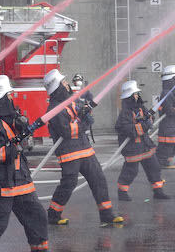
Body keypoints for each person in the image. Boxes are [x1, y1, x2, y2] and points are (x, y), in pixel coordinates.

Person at [0, 75, 59, 252]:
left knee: (36, 213)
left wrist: (22, 133)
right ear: (1, 97)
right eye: (10, 94)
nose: (12, 98)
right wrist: (16, 145)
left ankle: (39, 249)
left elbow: (15, 139)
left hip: (20, 178)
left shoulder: (8, 119)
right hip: (2, 180)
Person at [44, 69, 123, 225]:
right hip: (69, 152)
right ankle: (53, 215)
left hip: (84, 148)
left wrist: (86, 113)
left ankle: (107, 214)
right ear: (57, 87)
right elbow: (67, 131)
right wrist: (85, 123)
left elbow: (80, 116)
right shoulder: (54, 109)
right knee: (69, 183)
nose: (67, 84)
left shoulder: (71, 102)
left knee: (98, 178)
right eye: (64, 82)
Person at [114, 80, 170, 201]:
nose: (137, 96)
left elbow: (147, 119)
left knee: (154, 167)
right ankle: (122, 192)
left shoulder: (140, 108)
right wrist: (145, 125)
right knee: (131, 171)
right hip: (132, 147)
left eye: (137, 94)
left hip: (145, 144)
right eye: (134, 94)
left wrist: (149, 117)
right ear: (129, 97)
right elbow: (130, 130)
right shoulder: (125, 113)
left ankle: (158, 190)